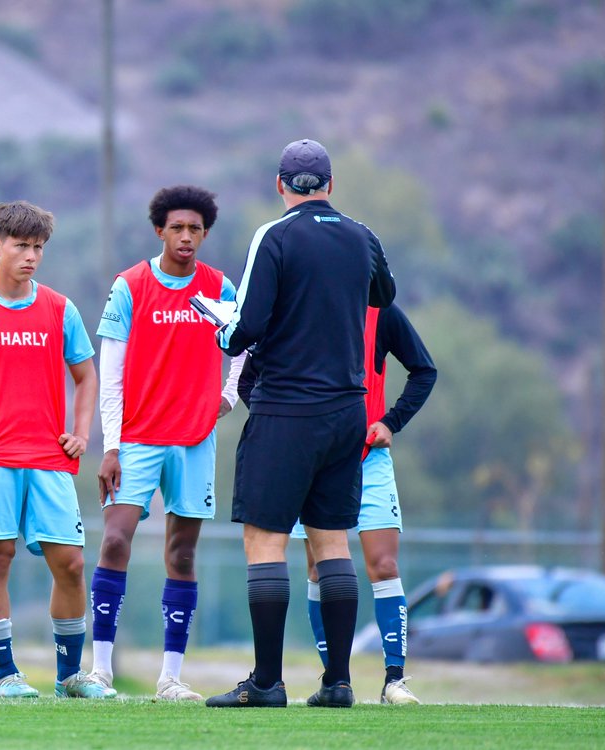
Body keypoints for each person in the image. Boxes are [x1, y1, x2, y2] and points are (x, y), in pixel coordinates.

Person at [205, 139, 396, 710]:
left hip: (286, 408)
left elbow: (249, 325)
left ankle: (266, 683)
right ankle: (337, 683)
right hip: (347, 411)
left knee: (265, 541)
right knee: (332, 540)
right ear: (331, 186)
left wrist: (220, 331)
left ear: (281, 185)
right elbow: (383, 295)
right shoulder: (363, 235)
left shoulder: (275, 235)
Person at [89, 185, 244, 701]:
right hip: (135, 438)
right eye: (176, 227)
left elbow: (247, 345)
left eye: (194, 229)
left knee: (182, 553)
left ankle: (170, 677)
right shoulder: (130, 285)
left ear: (205, 233)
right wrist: (110, 445)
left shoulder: (218, 286)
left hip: (193, 440)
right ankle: (101, 671)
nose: (185, 237)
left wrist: (228, 397)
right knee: (115, 540)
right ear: (159, 230)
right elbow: (109, 371)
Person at [0, 201, 113, 700]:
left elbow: (86, 374)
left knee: (70, 563)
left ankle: (70, 676)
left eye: (38, 248)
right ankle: (7, 675)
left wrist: (80, 431)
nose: (31, 256)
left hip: (49, 457)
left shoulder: (59, 307)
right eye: (21, 246)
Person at [288, 303, 435, 705]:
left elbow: (424, 370)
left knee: (384, 565)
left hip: (370, 460)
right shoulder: (303, 303)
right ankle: (336, 681)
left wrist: (391, 422)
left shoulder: (381, 312)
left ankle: (395, 681)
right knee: (319, 570)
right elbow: (255, 375)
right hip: (314, 463)